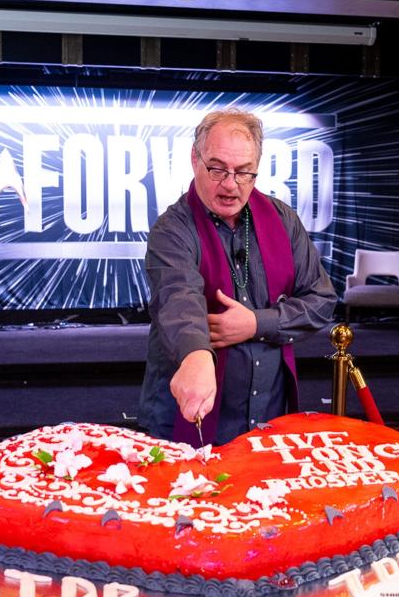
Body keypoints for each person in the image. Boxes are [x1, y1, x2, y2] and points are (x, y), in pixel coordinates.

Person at [139, 108, 337, 446]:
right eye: (217, 169)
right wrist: (196, 356)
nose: (230, 185)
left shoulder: (283, 219)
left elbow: (321, 301)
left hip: (269, 426)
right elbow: (178, 301)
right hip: (186, 427)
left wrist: (256, 324)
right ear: (194, 159)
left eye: (244, 172)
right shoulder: (171, 230)